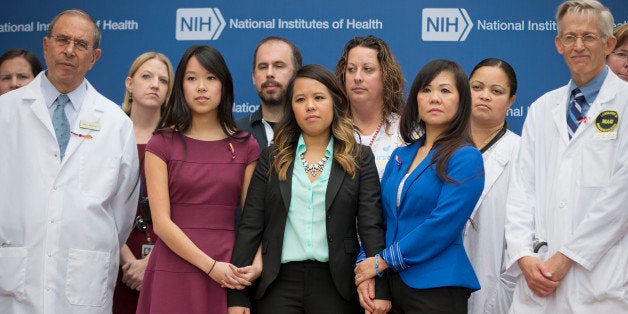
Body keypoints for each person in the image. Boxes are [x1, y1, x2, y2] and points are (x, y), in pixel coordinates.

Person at [0, 9, 140, 313]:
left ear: (95, 57)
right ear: (46, 45)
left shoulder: (116, 123)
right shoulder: (5, 112)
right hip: (14, 279)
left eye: (81, 44)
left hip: (84, 281)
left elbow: (123, 211)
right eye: (62, 39)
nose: (69, 50)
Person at [228, 64, 389, 314]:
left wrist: (380, 287)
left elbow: (371, 226)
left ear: (335, 103)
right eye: (300, 99)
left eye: (319, 97)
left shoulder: (359, 157)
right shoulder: (273, 157)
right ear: (291, 108)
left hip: (337, 285)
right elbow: (251, 225)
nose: (310, 106)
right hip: (277, 284)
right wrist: (237, 296)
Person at [505, 1, 628, 313]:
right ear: (558, 44)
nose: (578, 46)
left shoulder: (624, 104)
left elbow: (621, 196)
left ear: (609, 43)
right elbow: (521, 190)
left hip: (600, 280)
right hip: (538, 277)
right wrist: (524, 255)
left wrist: (568, 256)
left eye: (588, 37)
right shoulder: (542, 108)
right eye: (570, 37)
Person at [136, 45, 260, 314]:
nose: (201, 87)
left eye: (211, 78)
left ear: (224, 86)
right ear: (180, 86)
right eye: (192, 78)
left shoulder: (246, 146)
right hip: (173, 269)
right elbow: (161, 223)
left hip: (228, 271)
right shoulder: (160, 144)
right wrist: (210, 266)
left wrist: (253, 266)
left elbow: (253, 221)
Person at [355, 59, 485, 314]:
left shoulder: (466, 157)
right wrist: (365, 267)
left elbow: (441, 225)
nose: (434, 98)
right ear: (416, 99)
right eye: (426, 90)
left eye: (445, 91)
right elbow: (378, 219)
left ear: (461, 102)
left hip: (436, 288)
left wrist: (381, 262)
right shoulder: (400, 156)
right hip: (391, 288)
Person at [113, 52, 174, 314]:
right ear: (130, 84)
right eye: (146, 76)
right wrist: (126, 260)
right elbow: (96, 204)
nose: (154, 84)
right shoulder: (110, 133)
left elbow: (184, 208)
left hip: (166, 256)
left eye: (163, 80)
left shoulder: (178, 139)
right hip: (115, 257)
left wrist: (151, 261)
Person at [463, 58, 520, 314]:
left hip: (495, 283)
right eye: (477, 87)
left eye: (496, 91)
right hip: (435, 286)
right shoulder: (437, 145)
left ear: (511, 101)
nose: (484, 96)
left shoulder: (522, 152)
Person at [335, 35, 405, 179]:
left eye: (367, 69)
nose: (357, 77)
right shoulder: (331, 127)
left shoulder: (406, 133)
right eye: (351, 69)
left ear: (386, 75)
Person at [237, 36, 302, 148]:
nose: (269, 73)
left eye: (279, 66)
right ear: (253, 77)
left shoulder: (313, 132)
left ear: (297, 74)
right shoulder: (234, 133)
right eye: (263, 67)